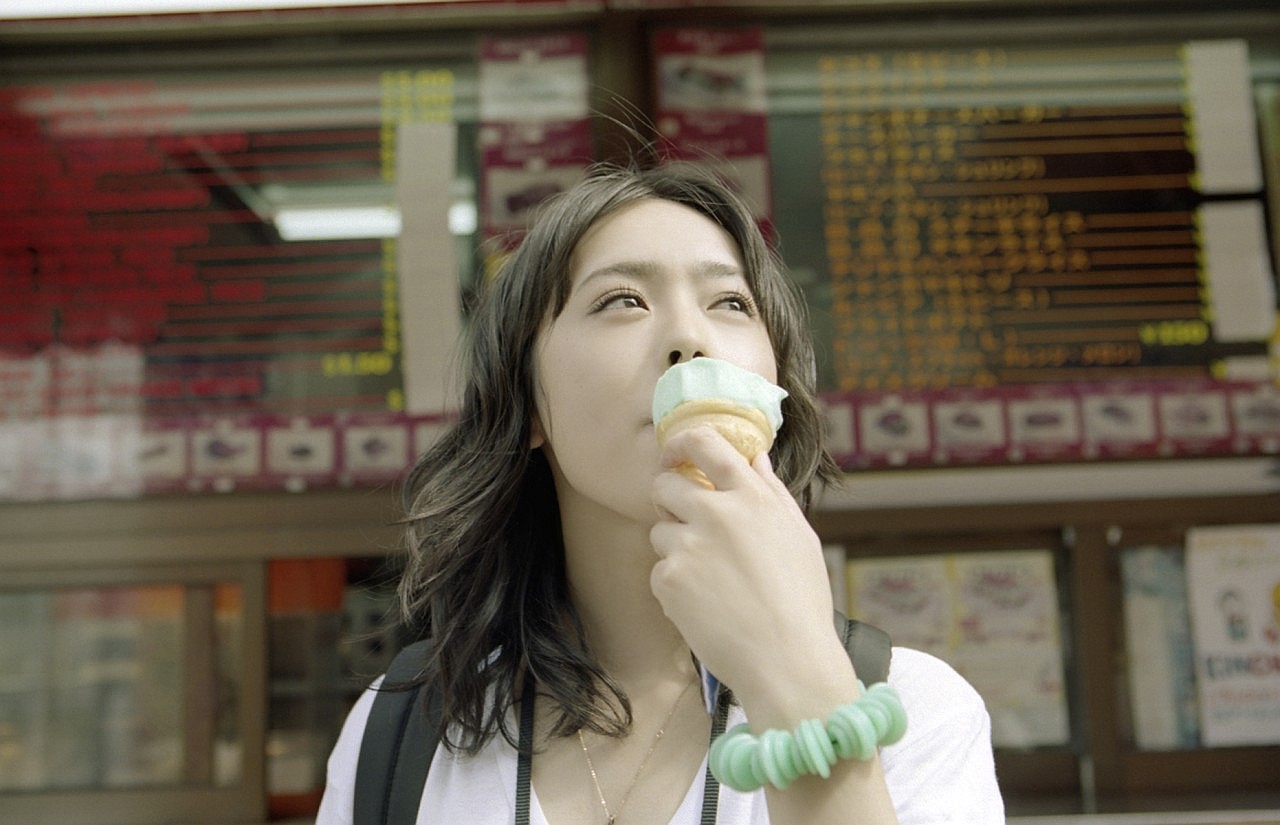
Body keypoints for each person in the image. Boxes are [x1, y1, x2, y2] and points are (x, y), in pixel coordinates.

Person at [316, 162, 1003, 824]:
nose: (688, 336)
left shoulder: (915, 714)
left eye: (731, 302)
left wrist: (799, 682)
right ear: (526, 402)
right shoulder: (401, 730)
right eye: (623, 300)